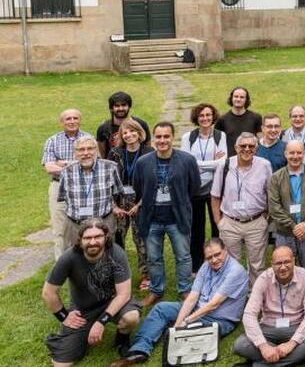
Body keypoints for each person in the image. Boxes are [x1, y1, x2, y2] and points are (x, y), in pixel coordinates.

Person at [111, 238, 249, 366]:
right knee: (161, 309)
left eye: (217, 254)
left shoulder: (235, 271)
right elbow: (192, 297)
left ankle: (171, 333)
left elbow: (213, 304)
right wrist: (178, 324)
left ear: (225, 250)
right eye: (209, 257)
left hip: (220, 319)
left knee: (189, 330)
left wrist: (186, 321)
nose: (213, 260)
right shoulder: (206, 266)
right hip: (198, 309)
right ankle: (138, 351)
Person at [42, 219, 141, 364]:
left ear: (106, 237)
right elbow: (48, 292)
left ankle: (122, 339)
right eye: (88, 238)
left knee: (131, 317)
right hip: (83, 309)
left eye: (98, 237)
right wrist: (64, 316)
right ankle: (80, 336)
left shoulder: (116, 253)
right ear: (80, 240)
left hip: (111, 301)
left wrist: (101, 321)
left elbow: (124, 294)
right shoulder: (69, 257)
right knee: (61, 363)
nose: (93, 242)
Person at [133, 122, 201, 307]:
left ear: (172, 137)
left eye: (166, 136)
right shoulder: (143, 162)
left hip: (177, 218)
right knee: (154, 257)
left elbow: (194, 187)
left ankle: (185, 289)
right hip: (152, 218)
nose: (162, 140)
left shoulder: (187, 160)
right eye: (159, 137)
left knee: (183, 256)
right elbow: (138, 187)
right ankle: (156, 290)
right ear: (153, 138)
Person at [233, 246, 305, 366]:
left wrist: (291, 344)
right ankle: (296, 358)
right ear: (272, 264)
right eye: (278, 263)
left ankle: (262, 364)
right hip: (269, 327)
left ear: (293, 261)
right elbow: (249, 314)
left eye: (287, 262)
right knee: (240, 344)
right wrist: (263, 346)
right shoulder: (263, 279)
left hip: (296, 326)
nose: (283, 267)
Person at [211, 132, 273, 284]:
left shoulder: (264, 165)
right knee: (231, 265)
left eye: (251, 146)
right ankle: (235, 296)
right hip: (230, 223)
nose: (247, 149)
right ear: (235, 148)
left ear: (256, 148)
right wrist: (219, 222)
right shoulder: (224, 166)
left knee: (257, 265)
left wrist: (266, 217)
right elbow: (215, 196)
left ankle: (254, 297)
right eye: (242, 146)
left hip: (256, 222)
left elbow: (271, 193)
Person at [180, 103, 228, 274]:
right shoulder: (188, 137)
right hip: (194, 189)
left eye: (208, 115)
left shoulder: (220, 136)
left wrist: (198, 163)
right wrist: (212, 162)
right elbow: (187, 163)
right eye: (201, 115)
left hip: (215, 189)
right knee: (197, 229)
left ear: (213, 117)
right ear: (196, 118)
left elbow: (222, 163)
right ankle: (196, 266)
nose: (205, 118)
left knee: (218, 226)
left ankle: (220, 260)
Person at [107, 119, 153, 291]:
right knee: (116, 239)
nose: (128, 135)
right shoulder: (115, 153)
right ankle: (118, 276)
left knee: (141, 239)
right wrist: (114, 206)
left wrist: (139, 205)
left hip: (141, 200)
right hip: (119, 201)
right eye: (124, 133)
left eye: (132, 131)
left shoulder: (149, 152)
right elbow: (108, 181)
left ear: (139, 132)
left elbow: (152, 182)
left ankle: (146, 275)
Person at [42, 108, 90, 260]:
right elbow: (49, 167)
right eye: (68, 119)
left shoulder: (88, 138)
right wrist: (77, 165)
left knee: (84, 225)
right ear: (61, 122)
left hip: (84, 188)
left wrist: (63, 164)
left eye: (75, 118)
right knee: (60, 228)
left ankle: (84, 261)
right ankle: (61, 266)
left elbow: (92, 163)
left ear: (80, 120)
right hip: (59, 187)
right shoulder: (52, 140)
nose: (72, 121)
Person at [268, 140, 305, 279]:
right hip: (284, 232)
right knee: (283, 268)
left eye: (299, 153)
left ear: (304, 154)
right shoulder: (276, 177)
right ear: (285, 154)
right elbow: (274, 207)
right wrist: (293, 226)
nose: (295, 156)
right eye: (291, 153)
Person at [58, 136, 122, 247]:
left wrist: (114, 207)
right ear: (75, 153)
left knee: (106, 258)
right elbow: (63, 197)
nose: (86, 153)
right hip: (76, 225)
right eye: (81, 150)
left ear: (96, 150)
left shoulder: (110, 167)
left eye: (90, 148)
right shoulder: (66, 172)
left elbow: (117, 193)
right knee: (77, 258)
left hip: (104, 223)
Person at [95, 91, 151, 158]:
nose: (120, 108)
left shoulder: (141, 124)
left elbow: (148, 149)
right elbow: (103, 154)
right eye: (117, 106)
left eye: (124, 105)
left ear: (129, 106)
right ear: (111, 108)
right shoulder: (103, 128)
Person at [215, 87, 263, 157]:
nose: (238, 99)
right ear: (231, 98)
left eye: (242, 97)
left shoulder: (256, 117)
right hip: (230, 160)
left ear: (246, 100)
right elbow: (217, 142)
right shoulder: (222, 119)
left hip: (251, 159)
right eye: (236, 96)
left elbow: (261, 141)